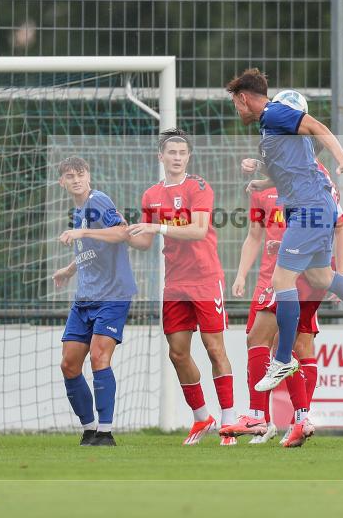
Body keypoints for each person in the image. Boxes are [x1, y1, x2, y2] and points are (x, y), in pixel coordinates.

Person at [226, 68, 343, 397]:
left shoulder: (275, 111)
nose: (237, 110)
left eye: (236, 104)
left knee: (282, 281)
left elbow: (318, 127)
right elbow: (292, 171)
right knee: (321, 277)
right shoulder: (270, 130)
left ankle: (281, 360)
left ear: (243, 98)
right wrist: (260, 179)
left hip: (309, 209)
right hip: (310, 206)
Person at [221, 158, 343, 447]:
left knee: (289, 344)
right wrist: (241, 275)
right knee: (265, 341)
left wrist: (337, 275)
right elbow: (254, 236)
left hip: (299, 275)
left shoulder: (313, 180)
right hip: (269, 278)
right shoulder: (264, 192)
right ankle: (287, 420)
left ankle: (273, 418)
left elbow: (337, 228)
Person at [128, 128, 237, 446]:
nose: (176, 157)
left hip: (205, 278)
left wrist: (155, 225)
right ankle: (202, 417)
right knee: (177, 353)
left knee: (215, 349)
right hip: (175, 283)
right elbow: (146, 242)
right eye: (171, 153)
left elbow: (199, 231)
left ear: (188, 157)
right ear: (160, 156)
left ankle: (229, 424)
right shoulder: (151, 195)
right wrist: (118, 232)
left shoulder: (198, 186)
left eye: (182, 153)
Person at [52, 156, 137, 447]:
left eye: (80, 174)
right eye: (69, 176)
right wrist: (69, 269)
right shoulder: (78, 212)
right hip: (85, 298)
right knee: (69, 364)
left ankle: (106, 431)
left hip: (112, 295)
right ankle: (89, 429)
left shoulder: (98, 201)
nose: (76, 179)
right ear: (62, 182)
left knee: (100, 357)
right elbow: (90, 250)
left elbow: (122, 232)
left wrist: (83, 231)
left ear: (88, 176)